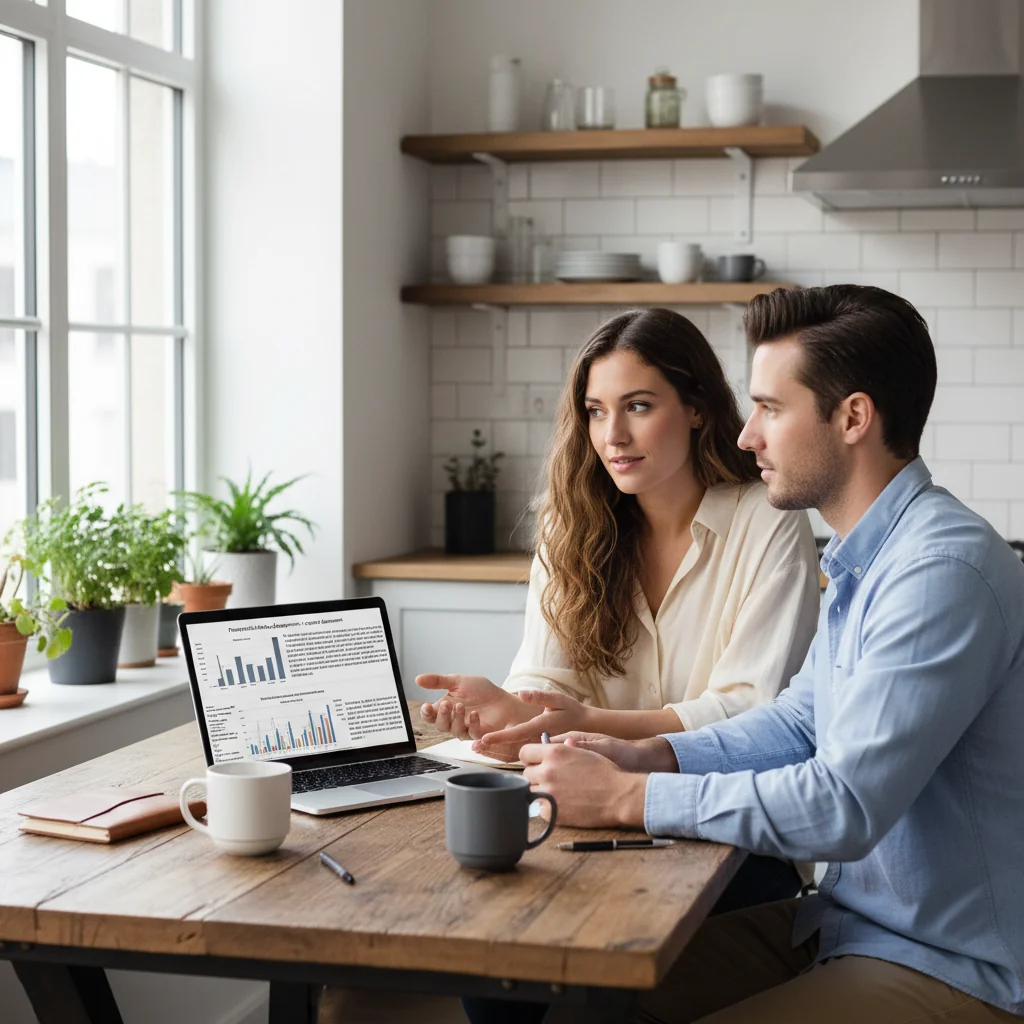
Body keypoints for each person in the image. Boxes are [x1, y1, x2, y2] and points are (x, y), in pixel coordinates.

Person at [516, 284, 1024, 1024]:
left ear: (852, 418)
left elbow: (844, 806)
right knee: (582, 1008)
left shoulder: (939, 571)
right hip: (844, 928)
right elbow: (796, 724)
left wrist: (632, 799)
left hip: (948, 966)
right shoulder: (869, 558)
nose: (748, 435)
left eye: (771, 409)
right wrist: (650, 756)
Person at [318, 308, 820, 1024]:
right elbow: (549, 682)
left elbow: (749, 711)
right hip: (587, 817)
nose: (613, 435)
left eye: (639, 407)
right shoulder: (574, 522)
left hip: (724, 834)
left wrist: (579, 722)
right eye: (595, 411)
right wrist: (516, 709)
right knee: (495, 949)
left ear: (699, 410)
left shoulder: (766, 519)